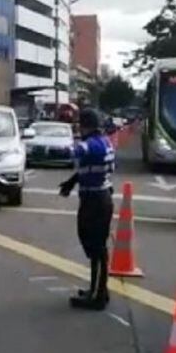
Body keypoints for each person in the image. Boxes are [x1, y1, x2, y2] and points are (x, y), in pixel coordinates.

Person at [57, 108, 115, 310]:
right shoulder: (104, 141)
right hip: (98, 197)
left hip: (96, 200)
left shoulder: (93, 144)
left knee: (96, 247)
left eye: (80, 125)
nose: (78, 129)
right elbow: (88, 168)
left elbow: (77, 151)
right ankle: (99, 289)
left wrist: (61, 149)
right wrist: (71, 182)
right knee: (92, 243)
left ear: (87, 126)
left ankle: (98, 297)